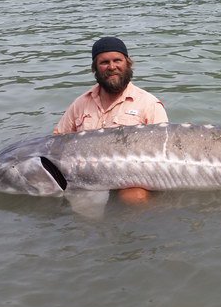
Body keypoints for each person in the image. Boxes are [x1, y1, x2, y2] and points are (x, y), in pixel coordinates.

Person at [54, 36, 168, 203]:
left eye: (117, 60)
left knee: (134, 197)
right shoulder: (80, 104)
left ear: (127, 63)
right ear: (95, 68)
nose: (112, 67)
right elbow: (57, 142)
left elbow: (165, 152)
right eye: (104, 62)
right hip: (88, 177)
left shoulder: (149, 104)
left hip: (132, 178)